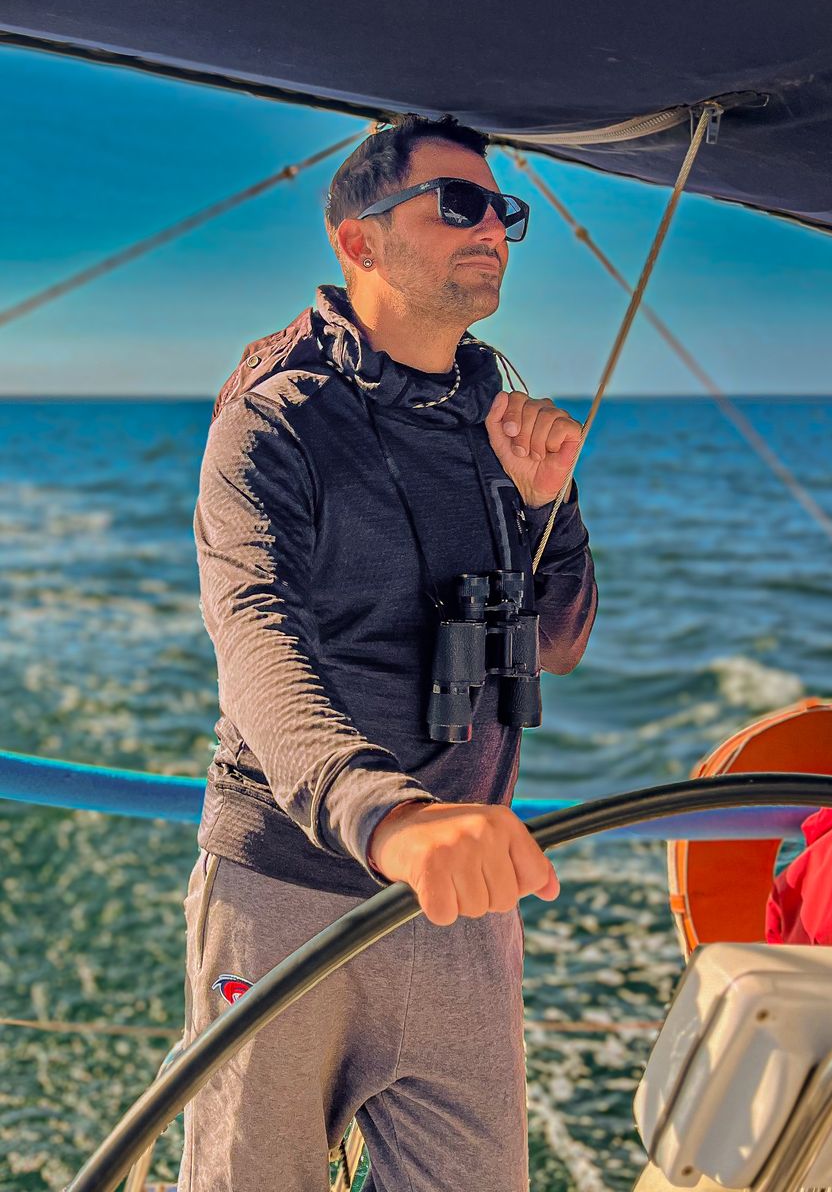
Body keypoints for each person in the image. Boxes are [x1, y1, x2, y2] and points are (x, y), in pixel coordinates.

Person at [177, 113, 598, 1191]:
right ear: (358, 242)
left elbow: (552, 644)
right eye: (457, 205)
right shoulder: (272, 425)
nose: (494, 228)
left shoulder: (502, 422)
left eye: (502, 210)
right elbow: (258, 647)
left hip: (454, 902)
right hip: (290, 887)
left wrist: (553, 506)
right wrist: (392, 819)